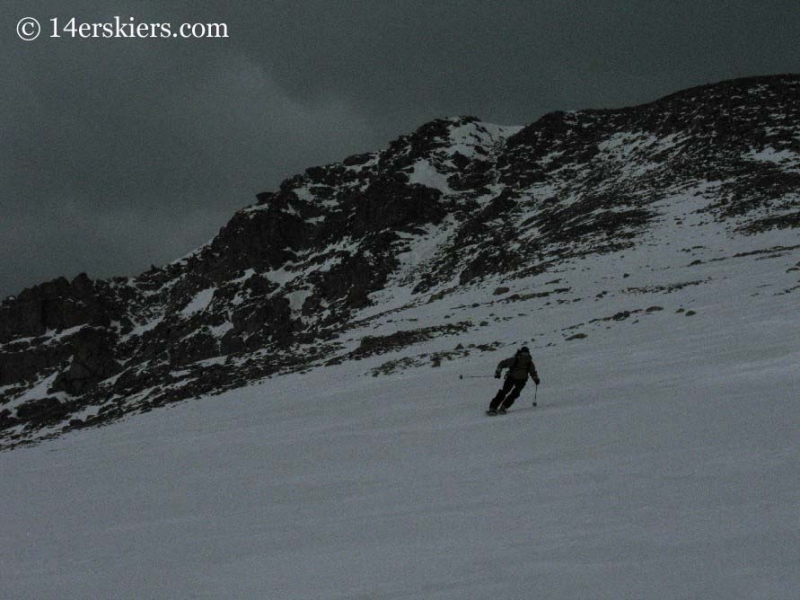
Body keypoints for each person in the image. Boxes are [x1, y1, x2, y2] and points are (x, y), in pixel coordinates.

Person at [487, 346, 540, 415]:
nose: (525, 355)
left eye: (526, 354)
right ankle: (494, 407)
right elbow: (502, 364)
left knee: (513, 393)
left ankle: (502, 407)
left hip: (521, 380)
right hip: (512, 378)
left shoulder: (529, 363)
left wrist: (535, 378)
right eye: (524, 354)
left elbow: (533, 372)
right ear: (521, 353)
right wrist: (498, 371)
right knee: (505, 392)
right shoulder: (516, 360)